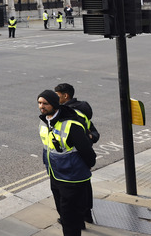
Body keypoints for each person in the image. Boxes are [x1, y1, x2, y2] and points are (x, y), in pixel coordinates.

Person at [37, 89, 96, 236]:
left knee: (70, 218)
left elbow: (88, 153)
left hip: (72, 178)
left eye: (45, 103)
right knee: (63, 213)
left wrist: (85, 166)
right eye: (39, 103)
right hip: (55, 174)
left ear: (55, 104)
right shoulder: (45, 120)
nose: (41, 106)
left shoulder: (71, 125)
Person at [54, 83, 100, 225]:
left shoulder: (69, 114)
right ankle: (87, 214)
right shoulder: (82, 110)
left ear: (65, 95)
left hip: (74, 158)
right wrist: (90, 138)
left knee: (71, 192)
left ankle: (75, 220)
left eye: (57, 96)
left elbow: (89, 134)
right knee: (85, 187)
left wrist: (87, 139)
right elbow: (94, 133)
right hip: (84, 156)